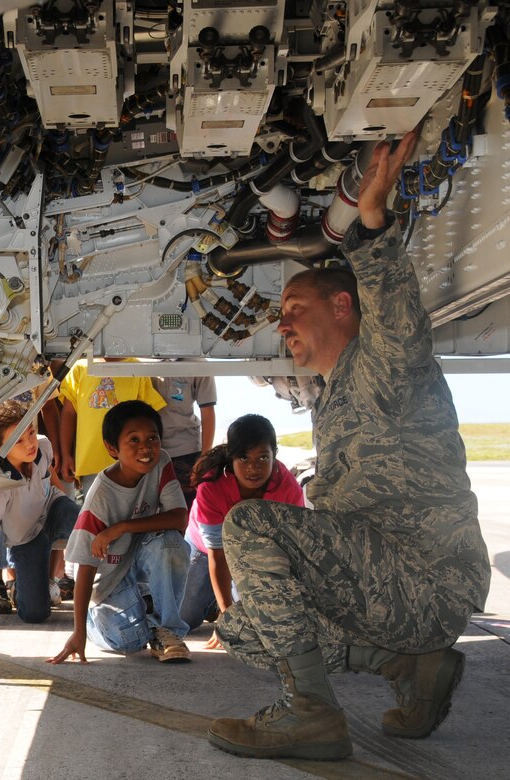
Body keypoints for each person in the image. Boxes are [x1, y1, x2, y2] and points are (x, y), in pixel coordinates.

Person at [207, 131, 491, 761]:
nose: (281, 324)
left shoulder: (389, 364)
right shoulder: (331, 396)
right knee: (246, 628)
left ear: (341, 304)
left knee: (248, 524)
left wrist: (370, 220)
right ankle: (411, 668)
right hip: (384, 577)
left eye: (292, 307)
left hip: (426, 574)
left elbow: (393, 308)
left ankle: (311, 715)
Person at [47, 400, 192, 665]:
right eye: (133, 440)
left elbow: (179, 518)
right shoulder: (100, 497)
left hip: (137, 560)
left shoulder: (161, 461)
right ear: (112, 448)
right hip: (107, 578)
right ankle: (96, 624)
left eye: (152, 438)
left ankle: (167, 629)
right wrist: (77, 631)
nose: (145, 447)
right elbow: (86, 566)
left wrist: (122, 527)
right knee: (130, 641)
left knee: (172, 544)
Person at [180, 414, 304, 645]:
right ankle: (214, 601)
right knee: (185, 618)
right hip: (205, 550)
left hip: (254, 556)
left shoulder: (288, 488)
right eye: (244, 459)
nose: (253, 468)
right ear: (231, 458)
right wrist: (228, 618)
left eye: (263, 458)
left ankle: (216, 599)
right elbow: (217, 555)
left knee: (258, 621)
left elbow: (292, 550)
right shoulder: (212, 487)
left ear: (275, 455)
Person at [0, 400, 80, 627]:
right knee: (35, 614)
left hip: (53, 510)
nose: (30, 443)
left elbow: (50, 473)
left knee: (86, 527)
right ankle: (20, 588)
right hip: (26, 540)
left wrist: (70, 509)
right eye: (18, 440)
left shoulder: (43, 446)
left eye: (31, 432)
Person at [59, 358, 166, 497]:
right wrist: (66, 454)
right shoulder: (80, 367)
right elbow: (68, 413)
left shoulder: (137, 368)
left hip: (130, 464)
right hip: (91, 464)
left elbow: (149, 416)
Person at [154, 375, 217, 509]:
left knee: (186, 510)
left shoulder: (197, 364)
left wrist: (204, 459)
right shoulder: (141, 361)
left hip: (188, 452)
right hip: (152, 450)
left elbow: (208, 412)